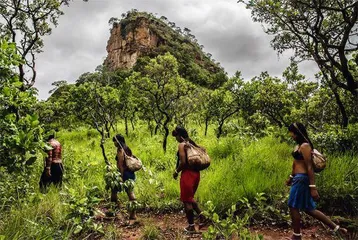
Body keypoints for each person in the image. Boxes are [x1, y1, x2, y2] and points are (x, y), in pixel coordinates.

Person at [286, 122, 347, 240]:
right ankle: (338, 229)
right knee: (309, 209)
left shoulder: (305, 146)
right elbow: (296, 164)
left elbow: (309, 167)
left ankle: (297, 236)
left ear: (297, 132)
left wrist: (313, 187)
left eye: (291, 132)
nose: (290, 135)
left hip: (302, 180)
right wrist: (290, 178)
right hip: (297, 178)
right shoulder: (298, 146)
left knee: (293, 206)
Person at [172, 125, 205, 233]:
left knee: (186, 201)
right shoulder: (191, 143)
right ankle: (203, 218)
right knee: (190, 198)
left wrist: (176, 171)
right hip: (196, 174)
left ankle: (191, 226)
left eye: (176, 136)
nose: (176, 138)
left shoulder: (182, 145)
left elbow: (183, 162)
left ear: (179, 135)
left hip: (187, 175)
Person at [112, 134, 137, 222]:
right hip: (131, 173)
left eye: (114, 141)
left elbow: (121, 165)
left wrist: (121, 176)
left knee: (126, 193)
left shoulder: (120, 150)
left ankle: (117, 210)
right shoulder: (127, 148)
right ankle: (132, 214)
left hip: (125, 174)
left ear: (118, 141)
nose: (114, 143)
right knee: (129, 192)